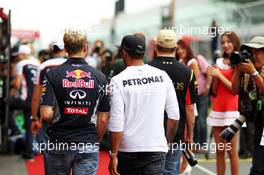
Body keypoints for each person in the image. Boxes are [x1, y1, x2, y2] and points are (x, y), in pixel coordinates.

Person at [40, 30, 110, 175]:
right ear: (85, 47)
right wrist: (94, 141)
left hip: (59, 141)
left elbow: (46, 114)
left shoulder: (52, 74)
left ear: (65, 48)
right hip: (87, 142)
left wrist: (63, 112)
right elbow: (103, 119)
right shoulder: (100, 77)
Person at [108, 35, 180, 175]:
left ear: (124, 53)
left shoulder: (117, 80)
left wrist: (114, 154)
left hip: (128, 150)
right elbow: (174, 115)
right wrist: (167, 142)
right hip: (156, 148)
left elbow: (117, 122)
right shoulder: (162, 76)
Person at [149, 29, 198, 175]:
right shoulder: (187, 72)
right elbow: (190, 108)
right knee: (171, 172)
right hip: (176, 133)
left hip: (150, 134)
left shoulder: (146, 69)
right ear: (175, 47)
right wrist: (190, 135)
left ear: (156, 46)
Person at [207, 31, 240, 175]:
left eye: (228, 41)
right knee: (220, 151)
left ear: (235, 43)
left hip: (232, 110)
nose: (225, 45)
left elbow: (234, 90)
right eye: (223, 42)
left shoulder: (239, 62)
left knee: (232, 152)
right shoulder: (218, 62)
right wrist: (214, 76)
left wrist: (219, 74)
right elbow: (214, 91)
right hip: (217, 110)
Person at [31, 38, 66, 173]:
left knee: (48, 151)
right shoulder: (74, 65)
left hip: (47, 114)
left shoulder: (44, 66)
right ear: (65, 49)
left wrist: (34, 117)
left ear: (53, 49)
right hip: (71, 114)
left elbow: (36, 96)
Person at [231, 36, 264, 175]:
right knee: (257, 168)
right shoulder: (249, 71)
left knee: (258, 169)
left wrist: (254, 73)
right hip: (259, 123)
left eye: (257, 52)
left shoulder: (254, 71)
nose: (253, 55)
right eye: (252, 51)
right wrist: (238, 69)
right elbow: (234, 90)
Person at [11, 44, 40, 159]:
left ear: (22, 55)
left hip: (27, 99)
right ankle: (34, 148)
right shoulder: (38, 63)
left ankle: (15, 130)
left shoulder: (21, 64)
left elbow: (17, 84)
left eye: (17, 56)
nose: (16, 58)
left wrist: (11, 90)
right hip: (39, 99)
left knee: (5, 103)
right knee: (32, 125)